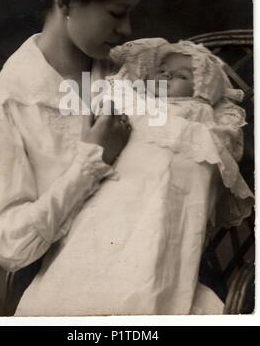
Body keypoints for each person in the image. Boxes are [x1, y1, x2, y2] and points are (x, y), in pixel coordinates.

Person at [0, 0, 150, 313]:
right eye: (117, 14)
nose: (127, 30)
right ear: (67, 1)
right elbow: (10, 245)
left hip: (147, 265)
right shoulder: (5, 104)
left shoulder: (130, 70)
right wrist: (89, 164)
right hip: (61, 287)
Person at [13, 39, 254, 316]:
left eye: (181, 76)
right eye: (161, 71)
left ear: (201, 91)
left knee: (152, 245)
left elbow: (212, 155)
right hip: (119, 193)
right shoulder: (132, 102)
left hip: (166, 195)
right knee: (90, 246)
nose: (166, 77)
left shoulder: (199, 115)